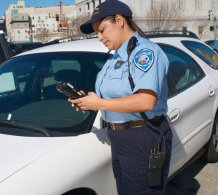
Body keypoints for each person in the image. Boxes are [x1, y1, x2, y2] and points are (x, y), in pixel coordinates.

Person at [69, 0, 173, 194]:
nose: (99, 37)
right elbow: (112, 95)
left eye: (101, 30)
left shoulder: (145, 52)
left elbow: (146, 101)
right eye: (96, 33)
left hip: (142, 138)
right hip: (118, 138)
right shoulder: (114, 58)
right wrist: (88, 101)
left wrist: (99, 103)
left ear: (119, 20)